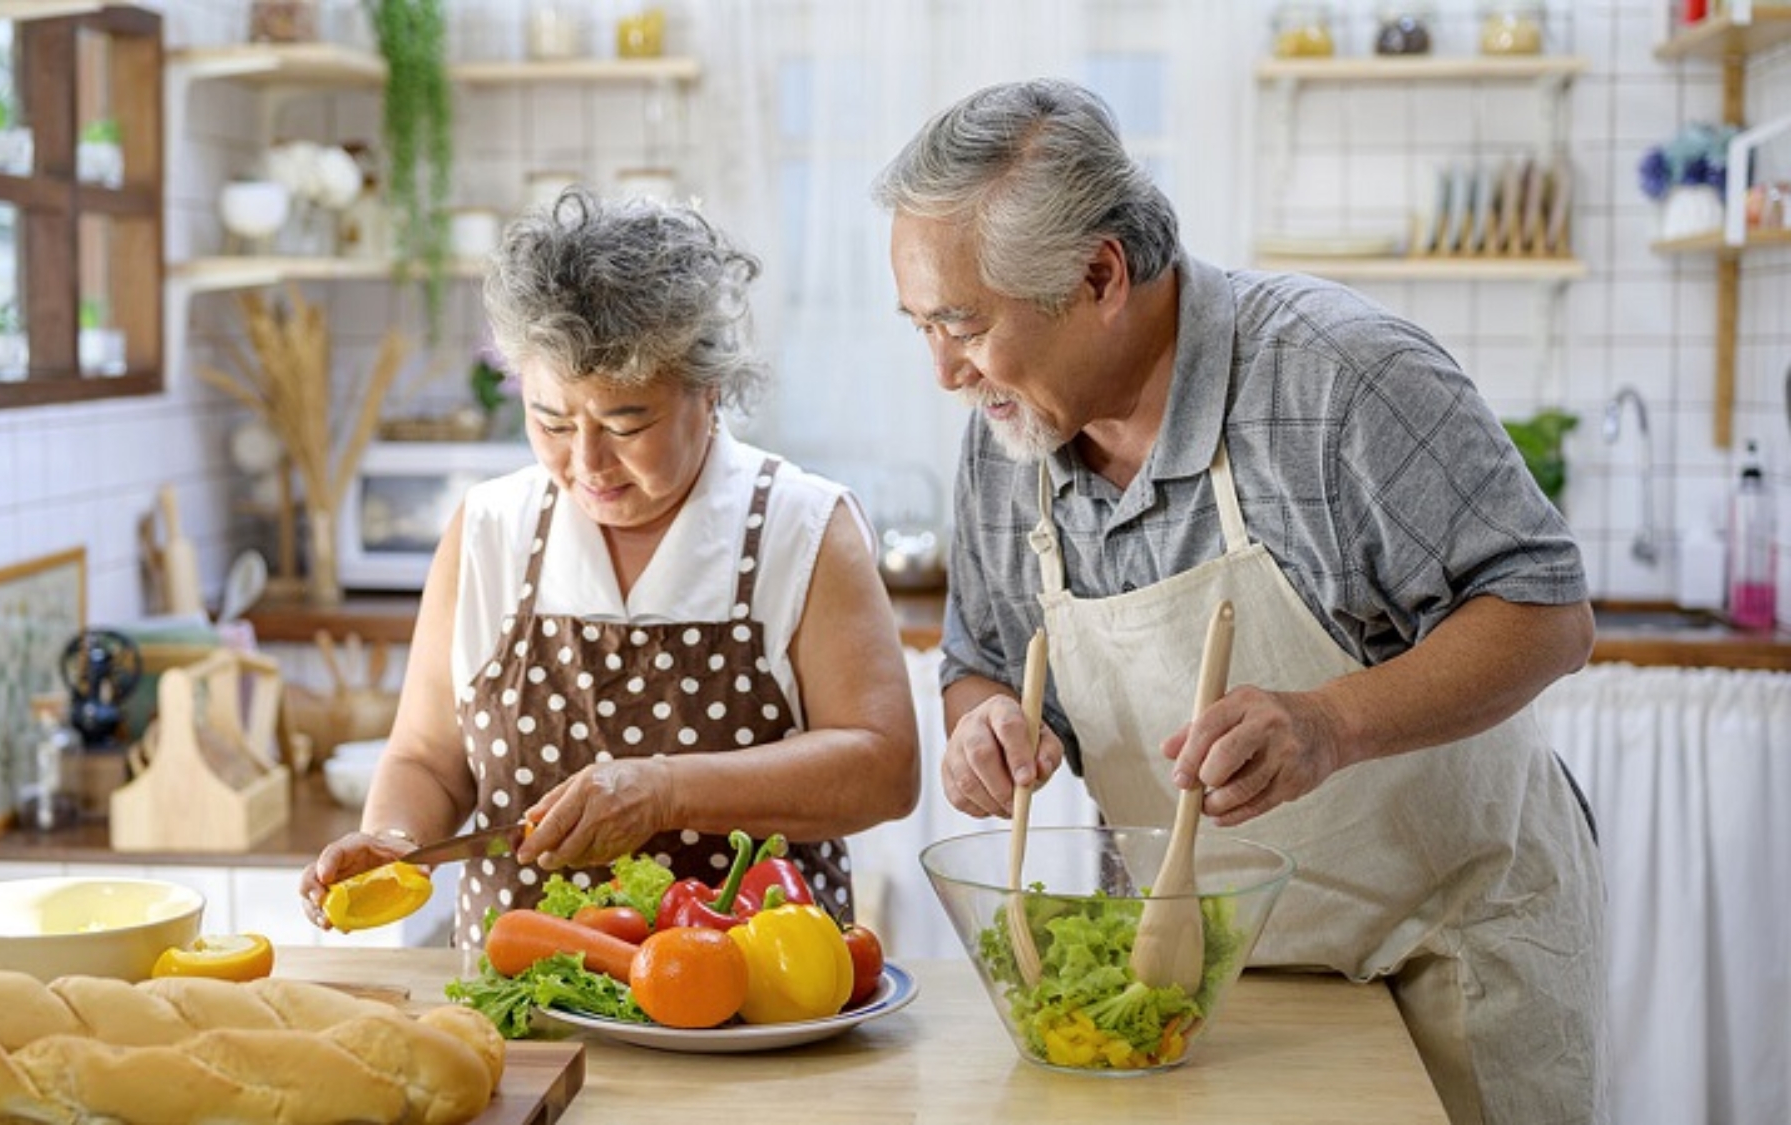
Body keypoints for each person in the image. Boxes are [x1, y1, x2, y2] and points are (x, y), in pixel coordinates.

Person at [874, 79, 1605, 1125]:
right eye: (920, 327)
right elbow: (981, 657)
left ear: (1097, 274)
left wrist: (1328, 724)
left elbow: (1544, 611)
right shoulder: (1009, 435)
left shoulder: (1337, 375)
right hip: (1189, 989)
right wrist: (986, 723)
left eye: (962, 323)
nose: (943, 370)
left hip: (1437, 965)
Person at [302, 188, 920, 949]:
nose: (586, 462)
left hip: (756, 1006)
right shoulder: (491, 529)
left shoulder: (801, 527)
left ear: (709, 389)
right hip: (525, 1001)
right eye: (552, 421)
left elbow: (884, 766)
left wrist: (664, 789)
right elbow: (430, 757)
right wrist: (395, 837)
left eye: (628, 423)